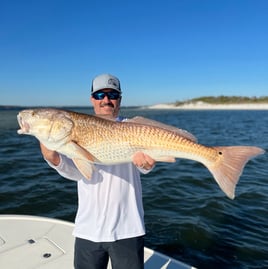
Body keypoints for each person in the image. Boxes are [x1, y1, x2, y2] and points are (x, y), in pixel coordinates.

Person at [40, 74, 156, 269]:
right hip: (88, 229)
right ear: (92, 98)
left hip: (128, 228)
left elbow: (145, 168)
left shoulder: (136, 128)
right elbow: (78, 173)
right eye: (100, 94)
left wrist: (146, 165)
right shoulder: (77, 128)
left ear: (119, 99)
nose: (106, 100)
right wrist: (54, 159)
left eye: (112, 95)